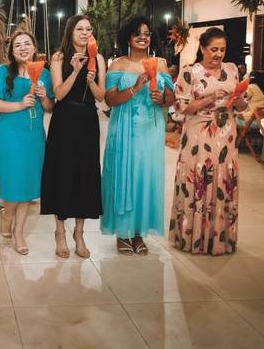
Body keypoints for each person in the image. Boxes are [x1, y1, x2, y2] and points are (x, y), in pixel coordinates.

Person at [169, 27, 247, 255]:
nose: (218, 54)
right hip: (199, 134)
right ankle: (193, 236)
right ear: (202, 48)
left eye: (222, 49)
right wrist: (210, 98)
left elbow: (242, 106)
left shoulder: (232, 70)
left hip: (226, 134)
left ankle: (219, 237)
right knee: (199, 178)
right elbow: (181, 107)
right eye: (214, 49)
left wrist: (238, 100)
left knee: (223, 180)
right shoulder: (189, 72)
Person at [102, 17, 174, 256]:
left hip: (151, 130)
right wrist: (135, 87)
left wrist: (162, 99)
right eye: (137, 33)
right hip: (125, 128)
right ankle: (123, 233)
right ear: (128, 37)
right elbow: (110, 100)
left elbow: (171, 98)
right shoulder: (118, 65)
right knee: (125, 176)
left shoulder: (160, 64)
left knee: (145, 178)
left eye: (147, 33)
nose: (143, 37)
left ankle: (139, 233)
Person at [0, 30, 55, 255]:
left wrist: (44, 96)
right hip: (10, 135)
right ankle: (7, 215)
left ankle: (19, 232)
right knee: (13, 182)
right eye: (17, 45)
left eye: (27, 44)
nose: (23, 48)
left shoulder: (44, 73)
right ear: (12, 51)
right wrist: (20, 105)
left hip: (34, 137)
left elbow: (50, 108)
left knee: (28, 185)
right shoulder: (2, 72)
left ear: (34, 48)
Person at [41, 14, 106, 259]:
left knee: (85, 175)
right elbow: (59, 93)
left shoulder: (98, 58)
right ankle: (60, 231)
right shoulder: (59, 57)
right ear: (70, 32)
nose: (85, 33)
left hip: (88, 120)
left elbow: (101, 96)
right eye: (80, 29)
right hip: (64, 120)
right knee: (63, 173)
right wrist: (76, 70)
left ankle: (79, 233)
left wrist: (91, 82)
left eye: (88, 29)